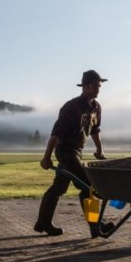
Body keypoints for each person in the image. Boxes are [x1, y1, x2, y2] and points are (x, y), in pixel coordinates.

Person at [34, 69, 114, 238]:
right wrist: (46, 157)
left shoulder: (96, 107)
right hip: (65, 152)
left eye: (99, 86)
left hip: (77, 152)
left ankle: (43, 222)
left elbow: (95, 130)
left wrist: (99, 149)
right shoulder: (71, 107)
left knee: (59, 187)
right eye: (94, 86)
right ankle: (96, 226)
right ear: (84, 87)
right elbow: (56, 134)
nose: (98, 89)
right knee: (88, 186)